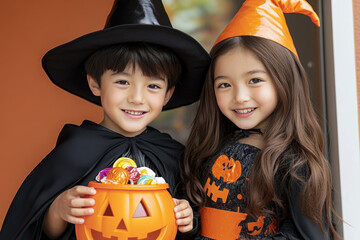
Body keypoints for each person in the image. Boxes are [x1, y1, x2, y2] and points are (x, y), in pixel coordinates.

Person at [0, 0, 210, 239]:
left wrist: (188, 219)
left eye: (153, 85)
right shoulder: (73, 153)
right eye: (122, 82)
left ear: (167, 94)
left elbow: (189, 226)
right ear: (95, 83)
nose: (137, 98)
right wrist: (57, 211)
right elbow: (32, 228)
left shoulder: (173, 156)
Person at [181, 0, 340, 239]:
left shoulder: (295, 163)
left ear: (284, 80)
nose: (240, 97)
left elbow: (308, 234)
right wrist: (187, 221)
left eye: (254, 80)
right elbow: (201, 215)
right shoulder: (210, 149)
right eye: (224, 84)